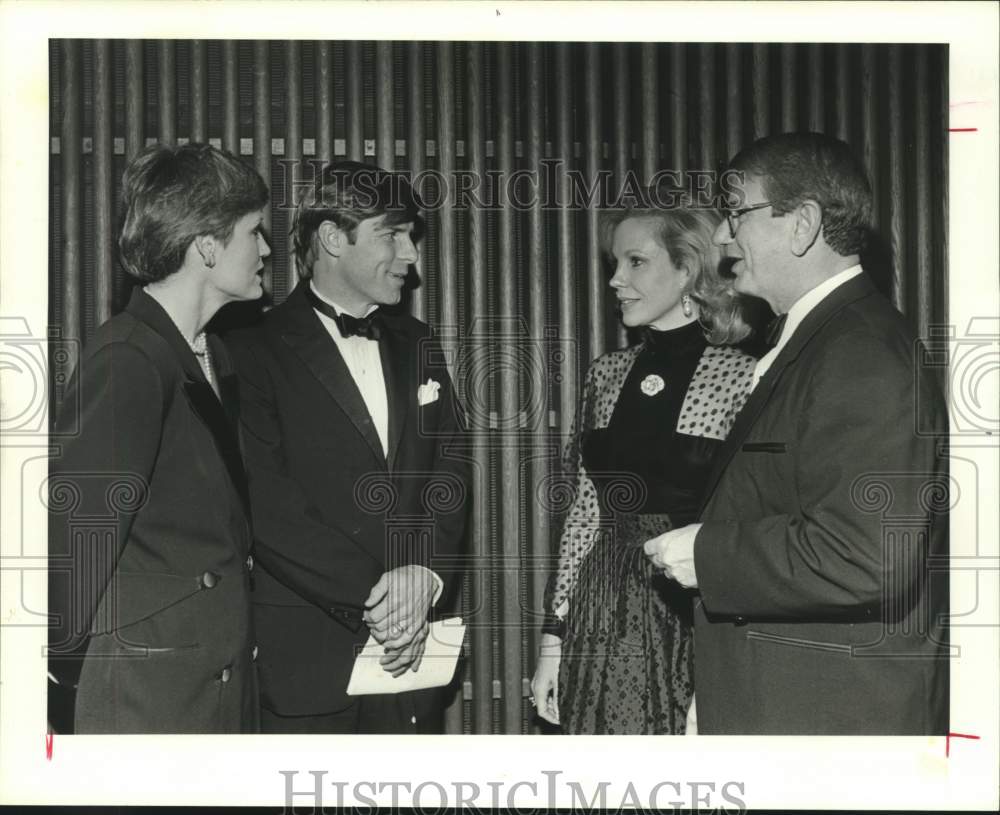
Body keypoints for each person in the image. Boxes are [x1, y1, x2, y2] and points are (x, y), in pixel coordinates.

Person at [644, 132, 950, 735]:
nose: (725, 238)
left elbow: (867, 555)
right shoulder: (825, 339)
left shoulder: (861, 353)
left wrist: (704, 554)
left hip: (829, 722)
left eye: (738, 214)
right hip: (783, 703)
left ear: (802, 223)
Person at [225, 161, 469, 734]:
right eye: (393, 233)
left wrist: (424, 576)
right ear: (334, 238)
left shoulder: (418, 342)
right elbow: (264, 498)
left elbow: (450, 470)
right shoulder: (248, 348)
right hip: (308, 666)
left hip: (412, 673)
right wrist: (384, 599)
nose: (411, 256)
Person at [47, 143, 271, 733]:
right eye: (254, 232)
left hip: (211, 682)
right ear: (207, 246)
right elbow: (80, 537)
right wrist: (63, 681)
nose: (267, 250)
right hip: (150, 695)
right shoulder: (129, 357)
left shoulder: (208, 354)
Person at [530, 192, 756, 734]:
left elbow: (750, 514)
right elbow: (586, 511)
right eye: (614, 263)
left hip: (696, 610)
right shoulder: (605, 374)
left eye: (635, 262)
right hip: (601, 610)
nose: (615, 279)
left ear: (686, 270)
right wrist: (553, 638)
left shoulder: (743, 374)